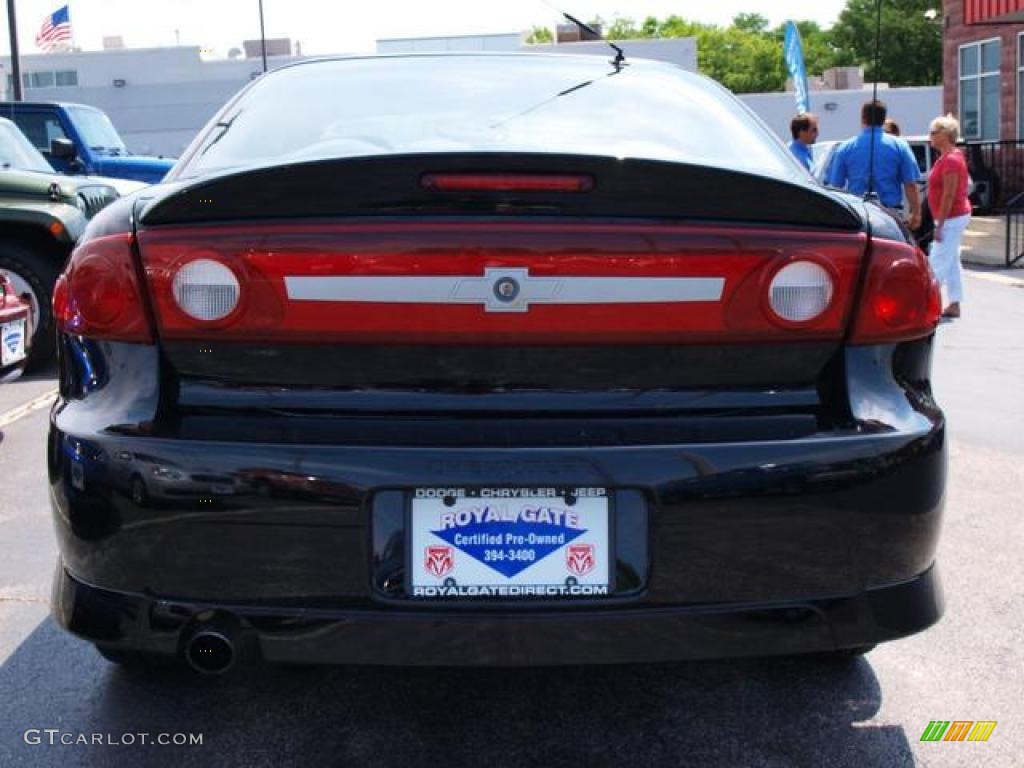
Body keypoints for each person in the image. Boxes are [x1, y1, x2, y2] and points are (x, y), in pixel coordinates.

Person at [827, 100, 921, 230]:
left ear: (862, 118)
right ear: (883, 119)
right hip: (891, 215)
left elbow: (836, 186)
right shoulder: (900, 146)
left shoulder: (845, 148)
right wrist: (916, 213)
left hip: (858, 214)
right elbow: (910, 183)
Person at [926, 114, 972, 319]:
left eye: (934, 132)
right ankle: (954, 303)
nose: (931, 136)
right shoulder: (946, 158)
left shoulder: (952, 160)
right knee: (952, 261)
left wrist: (940, 224)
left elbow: (949, 194)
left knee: (937, 261)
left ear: (945, 135)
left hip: (951, 218)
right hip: (950, 217)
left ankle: (926, 304)